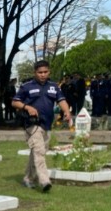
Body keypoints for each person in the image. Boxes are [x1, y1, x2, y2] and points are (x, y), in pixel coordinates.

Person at [12, 60, 71, 193]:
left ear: (49, 72)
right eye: (40, 72)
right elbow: (15, 102)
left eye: (45, 72)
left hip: (47, 124)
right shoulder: (26, 86)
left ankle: (28, 178)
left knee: (37, 151)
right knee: (39, 151)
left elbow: (61, 100)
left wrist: (67, 111)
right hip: (32, 124)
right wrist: (27, 107)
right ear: (35, 73)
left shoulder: (54, 86)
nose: (43, 75)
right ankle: (44, 181)